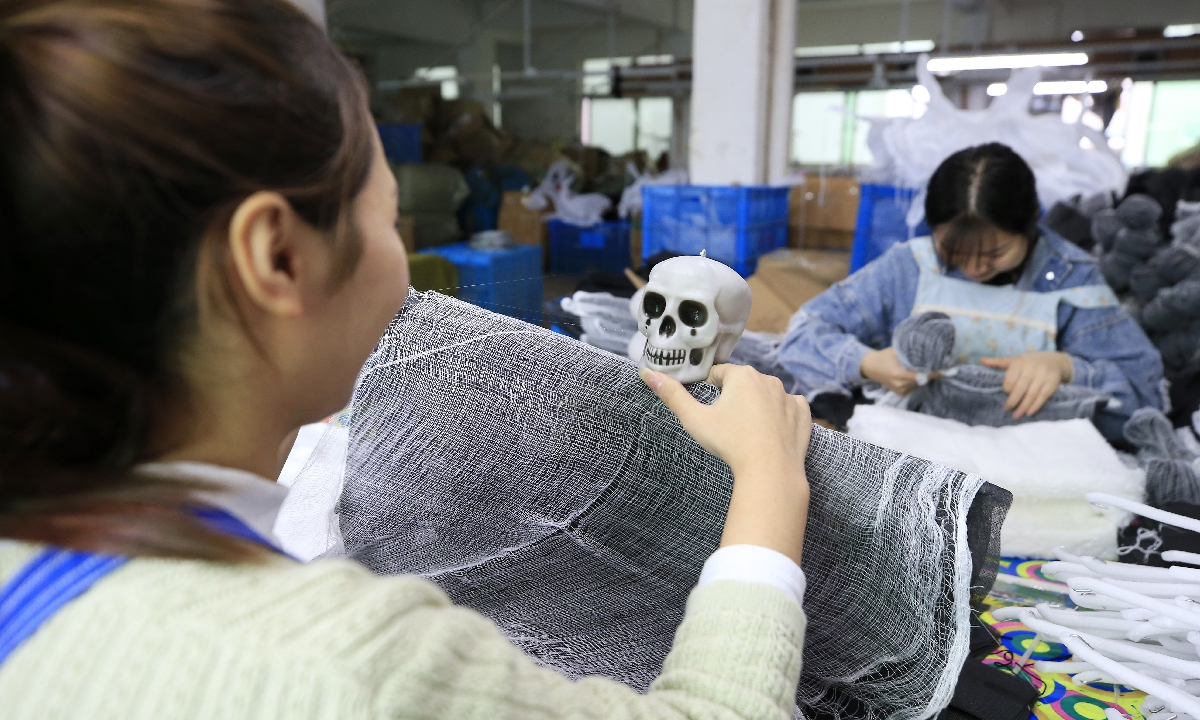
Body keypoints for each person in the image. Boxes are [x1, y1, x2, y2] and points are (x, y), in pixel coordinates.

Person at [0, 1, 814, 717]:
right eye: (388, 220)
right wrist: (770, 480)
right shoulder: (351, 664)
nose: (402, 266)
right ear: (277, 257)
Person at [776, 143, 1165, 440]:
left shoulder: (1069, 277)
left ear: (1030, 223)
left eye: (996, 253)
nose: (976, 268)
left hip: (1027, 456)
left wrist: (1065, 368)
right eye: (955, 252)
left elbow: (1146, 394)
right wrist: (868, 363)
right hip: (919, 449)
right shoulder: (909, 267)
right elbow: (802, 335)